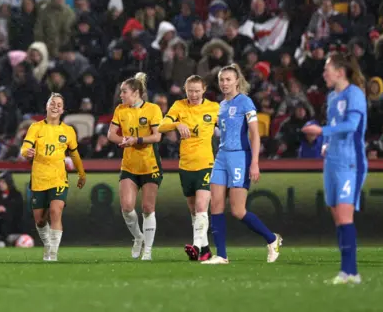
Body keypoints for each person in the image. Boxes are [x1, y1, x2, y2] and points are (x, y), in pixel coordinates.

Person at [202, 65, 282, 265]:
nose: (224, 83)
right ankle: (221, 255)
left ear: (237, 81)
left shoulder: (245, 102)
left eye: (228, 79)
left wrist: (254, 163)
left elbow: (255, 134)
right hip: (221, 157)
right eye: (222, 80)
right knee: (216, 207)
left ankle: (272, 239)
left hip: (239, 157)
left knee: (238, 210)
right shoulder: (221, 106)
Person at [302, 52, 367, 285]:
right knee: (337, 217)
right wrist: (327, 143)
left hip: (351, 162)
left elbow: (351, 126)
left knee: (344, 215)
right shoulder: (331, 97)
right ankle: (347, 272)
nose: (324, 73)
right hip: (332, 161)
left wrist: (322, 133)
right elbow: (334, 124)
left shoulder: (355, 94)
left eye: (326, 69)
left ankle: (350, 272)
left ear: (340, 72)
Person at [158, 75, 219, 261]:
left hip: (206, 164)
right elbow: (161, 126)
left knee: (201, 206)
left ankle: (195, 246)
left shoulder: (214, 108)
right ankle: (205, 249)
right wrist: (177, 124)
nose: (193, 94)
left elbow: (231, 127)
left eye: (197, 90)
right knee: (194, 210)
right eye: (190, 90)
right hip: (185, 165)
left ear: (204, 90)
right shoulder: (179, 106)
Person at [20, 93, 86, 261]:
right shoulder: (36, 127)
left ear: (63, 110)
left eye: (59, 104)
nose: (55, 106)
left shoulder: (68, 131)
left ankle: (53, 254)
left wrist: (81, 173)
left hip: (58, 179)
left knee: (56, 211)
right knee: (40, 221)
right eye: (52, 103)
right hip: (39, 179)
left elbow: (75, 154)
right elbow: (24, 147)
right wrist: (26, 152)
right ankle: (48, 245)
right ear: (47, 106)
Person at [107, 72, 163, 261]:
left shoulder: (153, 109)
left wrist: (137, 140)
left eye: (124, 92)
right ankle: (138, 238)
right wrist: (123, 141)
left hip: (150, 164)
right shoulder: (121, 110)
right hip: (129, 165)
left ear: (136, 92)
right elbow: (110, 134)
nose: (121, 95)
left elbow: (157, 136)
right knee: (126, 207)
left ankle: (147, 251)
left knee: (147, 208)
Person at [0, 172, 24, 247]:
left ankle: (3, 240)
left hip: (12, 225)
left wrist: (6, 209)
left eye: (3, 182)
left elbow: (19, 211)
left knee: (6, 216)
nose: (0, 184)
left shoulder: (17, 195)